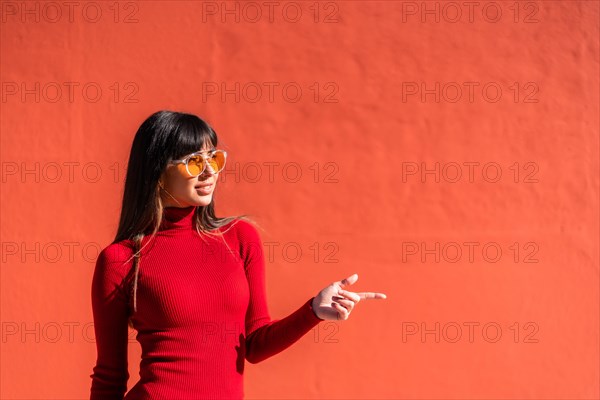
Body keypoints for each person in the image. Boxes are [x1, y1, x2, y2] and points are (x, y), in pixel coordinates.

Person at [89, 110, 387, 399]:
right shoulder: (122, 259)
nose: (209, 171)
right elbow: (109, 377)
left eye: (213, 158)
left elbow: (254, 344)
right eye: (193, 162)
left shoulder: (240, 238)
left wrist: (312, 311)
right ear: (157, 171)